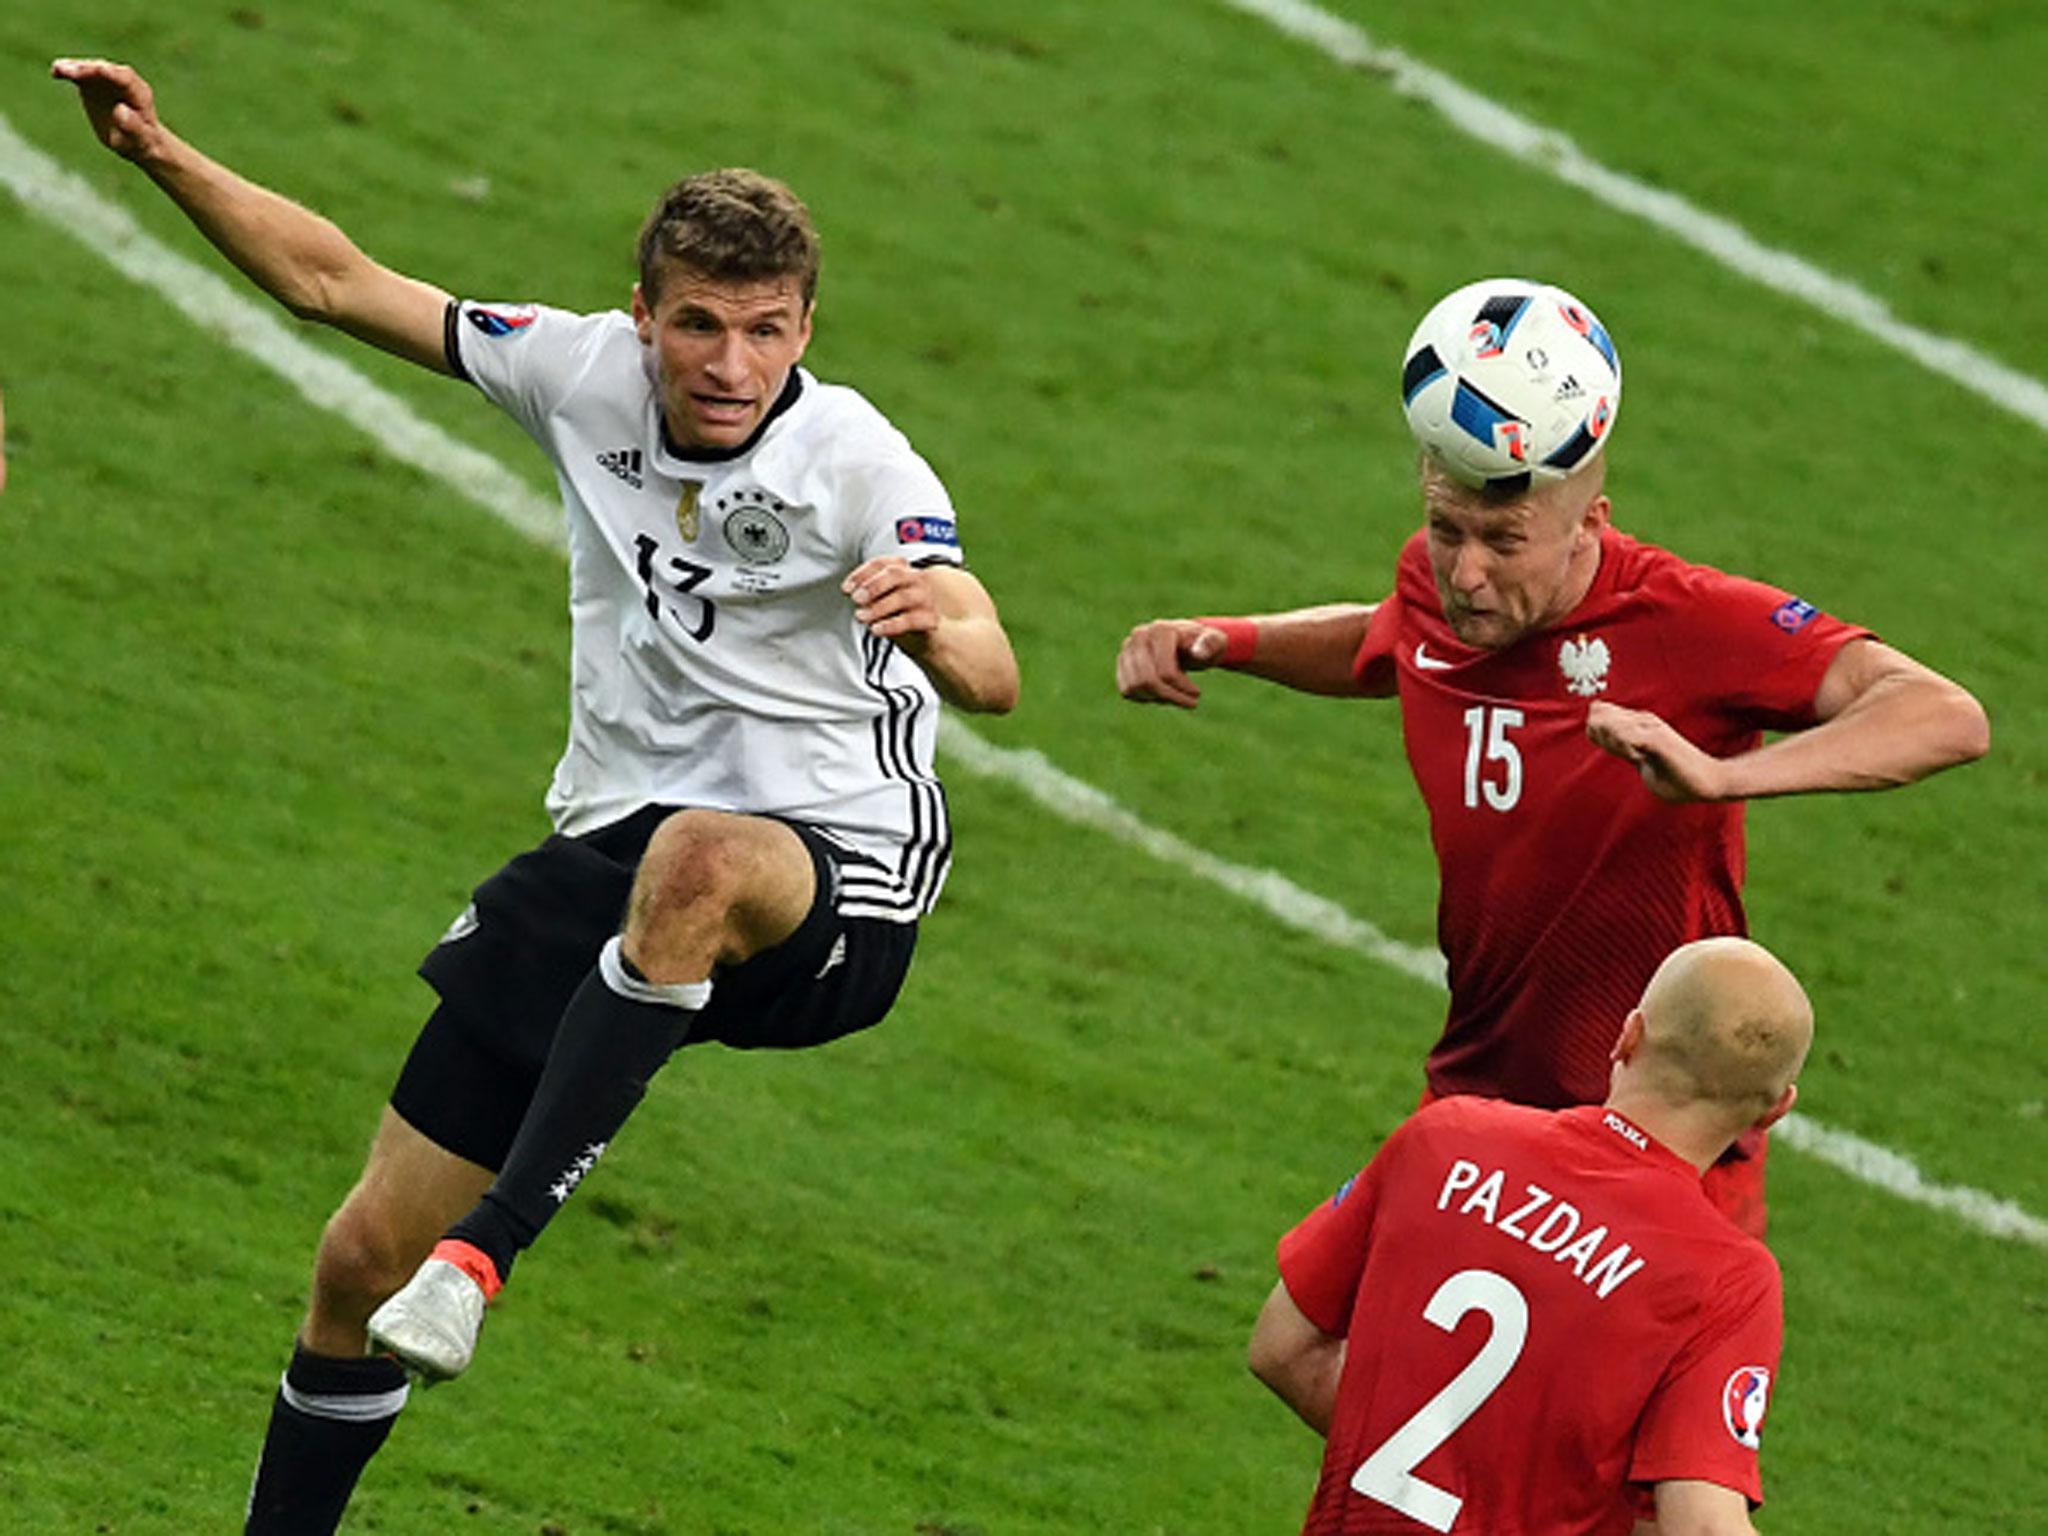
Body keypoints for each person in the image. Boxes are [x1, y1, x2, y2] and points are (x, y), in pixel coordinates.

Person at [54, 57, 1019, 1536]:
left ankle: (490, 1257)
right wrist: (161, 156)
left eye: (766, 331)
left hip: (837, 878)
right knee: (360, 1258)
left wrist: (939, 626)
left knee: (697, 862)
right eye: (698, 323)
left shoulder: (858, 459)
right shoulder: (579, 373)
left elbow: (994, 660)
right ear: (645, 315)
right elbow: (335, 281)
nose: (729, 363)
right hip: (613, 861)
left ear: (806, 330)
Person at [1115, 279, 1987, 1240]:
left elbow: (1941, 714)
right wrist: (1225, 640)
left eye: (1503, 541)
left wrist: (1726, 776)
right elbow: (1393, 642)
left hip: (1655, 1143)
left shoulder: (1687, 622)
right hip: (1482, 1103)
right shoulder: (1436, 591)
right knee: (1300, 1344)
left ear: (1591, 521)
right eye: (1447, 530)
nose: (1466, 571)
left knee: (1554, 1395)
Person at [1250, 936, 1814, 1535]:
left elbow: (1283, 1346)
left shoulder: (1443, 1137)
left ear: (1628, 1035)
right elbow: (1701, 1526)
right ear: (1774, 1111)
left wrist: (1431, 1475)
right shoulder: (1724, 1278)